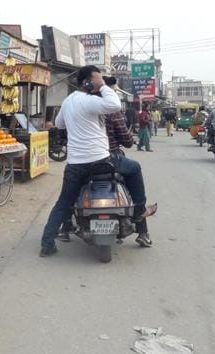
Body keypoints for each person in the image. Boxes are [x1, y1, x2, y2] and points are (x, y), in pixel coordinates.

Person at [57, 76, 156, 247]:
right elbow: (126, 139)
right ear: (107, 90)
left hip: (82, 160)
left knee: (71, 191)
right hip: (109, 158)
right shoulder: (111, 112)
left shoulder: (79, 106)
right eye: (114, 91)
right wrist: (128, 140)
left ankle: (65, 227)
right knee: (132, 183)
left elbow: (63, 128)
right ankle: (141, 229)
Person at [40, 66, 118, 256]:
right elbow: (115, 105)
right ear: (88, 82)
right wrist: (104, 87)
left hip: (76, 164)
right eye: (97, 79)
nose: (100, 82)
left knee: (64, 202)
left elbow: (59, 124)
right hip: (101, 161)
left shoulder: (68, 102)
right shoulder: (90, 101)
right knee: (134, 169)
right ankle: (139, 211)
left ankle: (47, 244)